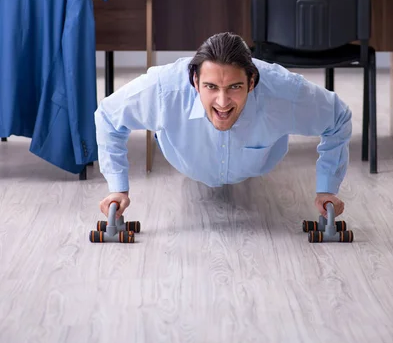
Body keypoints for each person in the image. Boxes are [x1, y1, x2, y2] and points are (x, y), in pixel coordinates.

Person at [95, 32, 352, 220]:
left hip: (257, 168)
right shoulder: (164, 90)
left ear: (252, 82)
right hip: (189, 164)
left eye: (234, 87)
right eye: (210, 87)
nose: (222, 101)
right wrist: (118, 187)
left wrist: (327, 188)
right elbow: (108, 115)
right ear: (195, 81)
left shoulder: (283, 92)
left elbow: (338, 117)